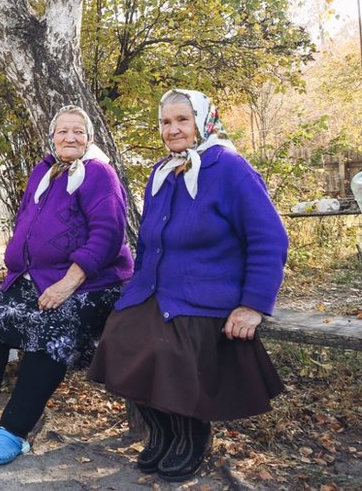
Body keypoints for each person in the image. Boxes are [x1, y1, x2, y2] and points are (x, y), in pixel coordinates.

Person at [88, 89, 288, 482]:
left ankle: (191, 437)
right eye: (166, 122)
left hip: (207, 293)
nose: (173, 129)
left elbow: (270, 238)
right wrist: (134, 291)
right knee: (121, 336)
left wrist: (253, 305)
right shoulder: (162, 172)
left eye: (183, 120)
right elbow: (148, 242)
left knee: (171, 348)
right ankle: (163, 433)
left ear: (203, 121)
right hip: (156, 290)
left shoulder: (230, 167)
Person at [0, 105, 133, 465]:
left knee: (52, 329)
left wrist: (67, 284)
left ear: (89, 138)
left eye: (79, 131)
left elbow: (108, 235)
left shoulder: (98, 174)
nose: (70, 137)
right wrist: (18, 264)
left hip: (90, 282)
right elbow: (28, 216)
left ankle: (13, 431)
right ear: (52, 137)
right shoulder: (45, 170)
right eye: (63, 131)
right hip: (39, 276)